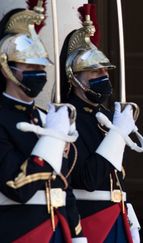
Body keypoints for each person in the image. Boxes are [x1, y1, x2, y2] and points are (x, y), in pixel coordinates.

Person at [0, 1, 86, 242]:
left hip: (57, 229)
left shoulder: (45, 118)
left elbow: (62, 186)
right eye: (29, 66)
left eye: (41, 66)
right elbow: (18, 186)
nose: (38, 72)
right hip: (19, 230)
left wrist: (77, 234)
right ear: (8, 68)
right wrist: (51, 139)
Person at [59, 4, 142, 243]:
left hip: (116, 215)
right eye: (95, 73)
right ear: (74, 78)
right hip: (90, 220)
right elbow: (88, 179)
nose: (103, 76)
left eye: (105, 71)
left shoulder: (104, 116)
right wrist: (116, 136)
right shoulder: (68, 118)